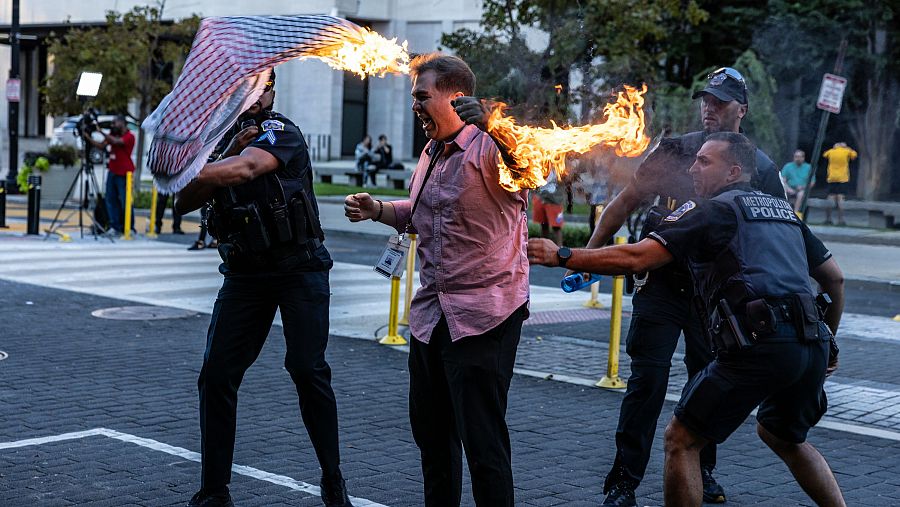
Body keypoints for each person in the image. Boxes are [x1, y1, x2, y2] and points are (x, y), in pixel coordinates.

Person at [527, 132, 845, 507]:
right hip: (810, 343)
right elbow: (835, 278)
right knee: (784, 437)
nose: (692, 167)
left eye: (705, 161)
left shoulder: (713, 210)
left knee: (680, 440)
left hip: (763, 343)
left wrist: (562, 255)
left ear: (734, 171)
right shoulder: (783, 212)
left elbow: (637, 259)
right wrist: (829, 343)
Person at [577, 67, 786, 506]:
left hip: (716, 298)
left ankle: (702, 469)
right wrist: (590, 258)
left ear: (741, 111)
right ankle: (623, 482)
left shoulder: (762, 169)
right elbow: (625, 202)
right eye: (705, 100)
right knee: (646, 381)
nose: (709, 108)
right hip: (662, 286)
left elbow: (776, 234)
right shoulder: (674, 152)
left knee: (708, 383)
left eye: (721, 102)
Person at [343, 53, 529, 507]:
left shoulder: (491, 148)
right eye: (413, 98)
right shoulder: (431, 152)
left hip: (486, 316)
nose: (415, 108)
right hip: (432, 315)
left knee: (483, 447)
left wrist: (495, 126)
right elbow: (422, 210)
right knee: (433, 439)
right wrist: (381, 211)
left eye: (422, 97)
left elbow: (531, 171)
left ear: (456, 98)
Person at [175, 69, 353, 507]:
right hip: (246, 274)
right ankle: (214, 491)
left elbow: (250, 167)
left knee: (306, 369)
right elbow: (181, 201)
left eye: (261, 88)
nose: (253, 97)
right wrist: (219, 152)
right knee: (216, 375)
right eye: (244, 89)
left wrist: (211, 164)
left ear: (272, 92)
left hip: (299, 267)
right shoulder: (217, 141)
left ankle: (333, 482)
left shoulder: (280, 130)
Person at [83, 114, 135, 235]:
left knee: (125, 201)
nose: (112, 125)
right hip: (112, 171)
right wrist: (88, 138)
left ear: (122, 123)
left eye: (114, 123)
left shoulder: (129, 136)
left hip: (124, 173)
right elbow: (102, 146)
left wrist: (100, 131)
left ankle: (129, 226)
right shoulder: (113, 135)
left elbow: (117, 142)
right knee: (110, 200)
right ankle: (114, 226)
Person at [822, 142, 857, 225]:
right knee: (840, 198)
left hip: (832, 178)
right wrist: (847, 147)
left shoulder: (831, 151)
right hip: (842, 178)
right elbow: (854, 155)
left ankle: (828, 219)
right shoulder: (846, 151)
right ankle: (840, 220)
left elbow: (824, 155)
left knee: (830, 197)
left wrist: (834, 148)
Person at [531, 172, 565, 245]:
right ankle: (544, 247)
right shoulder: (539, 162)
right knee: (543, 225)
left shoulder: (558, 163)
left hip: (555, 200)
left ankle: (559, 250)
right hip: (540, 197)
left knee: (557, 227)